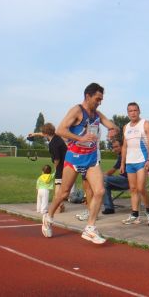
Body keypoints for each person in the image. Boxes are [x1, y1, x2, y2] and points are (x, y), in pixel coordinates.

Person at [41, 83, 119, 244]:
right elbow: (60, 130)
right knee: (63, 193)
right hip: (74, 158)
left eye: (101, 100)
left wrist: (114, 130)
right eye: (97, 99)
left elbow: (111, 124)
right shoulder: (77, 110)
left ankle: (90, 228)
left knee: (99, 191)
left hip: (90, 158)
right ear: (88, 96)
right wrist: (80, 138)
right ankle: (48, 216)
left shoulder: (97, 114)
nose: (99, 102)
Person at [120, 102, 149, 225]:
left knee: (141, 188)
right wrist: (122, 163)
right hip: (130, 162)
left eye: (135, 110)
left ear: (139, 111)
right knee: (133, 189)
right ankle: (135, 215)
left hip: (142, 160)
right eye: (130, 111)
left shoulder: (145, 124)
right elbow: (124, 146)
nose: (133, 113)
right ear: (128, 113)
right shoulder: (126, 127)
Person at [28, 123, 67, 213]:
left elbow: (57, 159)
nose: (43, 134)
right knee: (60, 186)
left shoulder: (53, 144)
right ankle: (60, 205)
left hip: (62, 165)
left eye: (43, 133)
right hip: (65, 163)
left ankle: (59, 206)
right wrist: (35, 134)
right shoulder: (55, 137)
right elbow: (44, 134)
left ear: (46, 133)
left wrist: (56, 168)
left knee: (58, 186)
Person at [101, 138, 129, 215]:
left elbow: (113, 170)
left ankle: (107, 206)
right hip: (123, 180)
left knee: (102, 179)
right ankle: (109, 208)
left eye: (117, 146)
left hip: (127, 181)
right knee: (105, 185)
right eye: (113, 147)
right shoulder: (121, 155)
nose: (115, 149)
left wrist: (102, 175)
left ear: (122, 146)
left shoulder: (124, 154)